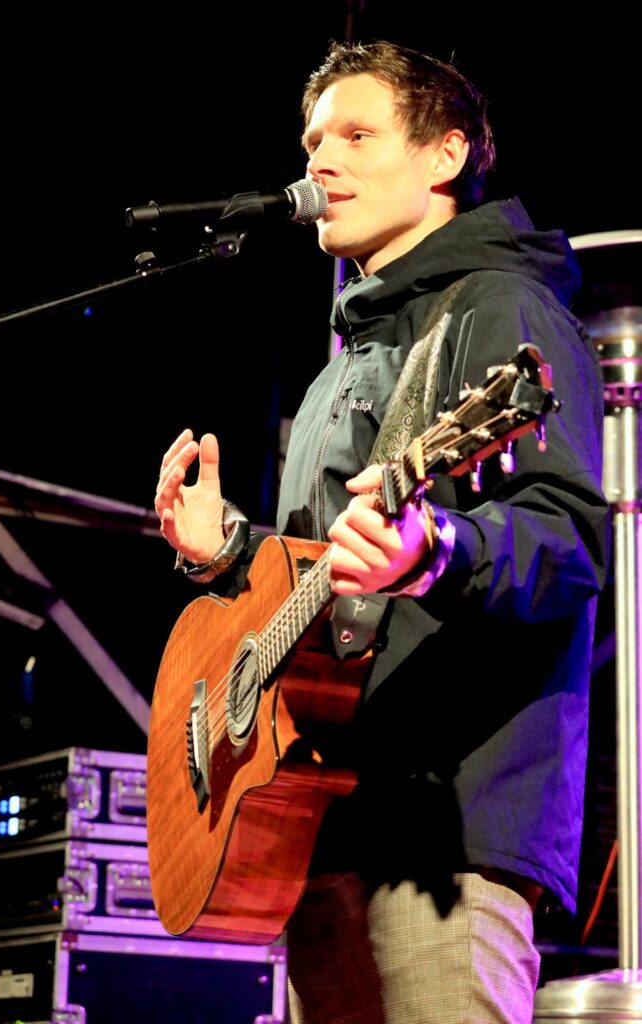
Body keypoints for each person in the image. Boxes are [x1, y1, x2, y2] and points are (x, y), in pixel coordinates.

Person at [154, 41, 609, 1024]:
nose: (321, 161)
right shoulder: (344, 362)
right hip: (326, 823)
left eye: (356, 136)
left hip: (442, 830)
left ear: (446, 154)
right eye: (313, 142)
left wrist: (439, 551)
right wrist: (230, 552)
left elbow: (572, 543)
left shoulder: (501, 306)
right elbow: (324, 588)